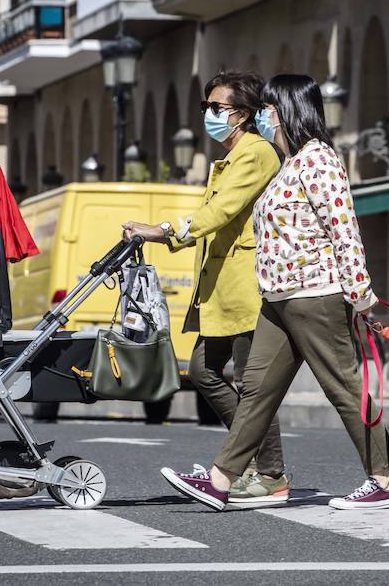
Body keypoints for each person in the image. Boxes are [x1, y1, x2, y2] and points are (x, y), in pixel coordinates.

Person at [160, 73, 389, 512]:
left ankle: (383, 481)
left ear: (289, 109)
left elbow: (343, 229)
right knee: (255, 390)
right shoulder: (289, 163)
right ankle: (220, 479)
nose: (264, 115)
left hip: (315, 294)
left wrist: (361, 293)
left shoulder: (319, 160)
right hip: (276, 298)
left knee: (344, 388)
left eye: (270, 108)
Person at [121, 70, 289, 506]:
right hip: (222, 291)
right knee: (202, 372)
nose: (209, 115)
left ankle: (269, 474)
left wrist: (162, 231)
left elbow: (220, 210)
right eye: (206, 108)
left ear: (244, 114)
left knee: (254, 387)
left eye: (217, 108)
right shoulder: (232, 156)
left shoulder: (256, 154)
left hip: (249, 289)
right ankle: (247, 461)